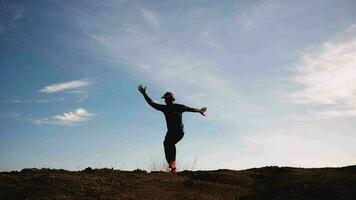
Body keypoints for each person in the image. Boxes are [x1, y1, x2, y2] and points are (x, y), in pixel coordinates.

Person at [138, 84, 207, 173]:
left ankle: (173, 164)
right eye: (165, 99)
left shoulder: (179, 107)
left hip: (179, 132)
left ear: (172, 99)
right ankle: (172, 166)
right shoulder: (165, 108)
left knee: (170, 143)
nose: (166, 101)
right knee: (166, 144)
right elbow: (152, 103)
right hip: (170, 132)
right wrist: (144, 93)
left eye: (167, 99)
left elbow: (191, 109)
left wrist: (200, 111)